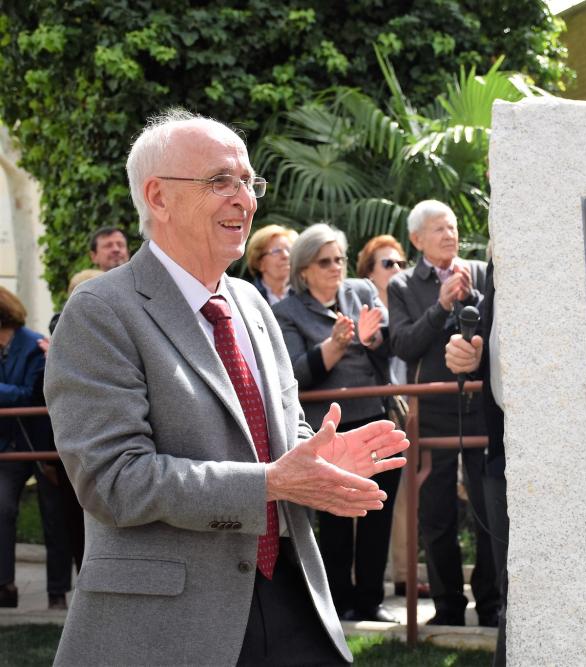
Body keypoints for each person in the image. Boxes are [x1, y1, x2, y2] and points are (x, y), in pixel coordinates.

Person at [44, 109, 408, 666]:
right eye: (221, 181)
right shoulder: (100, 311)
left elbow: (284, 430)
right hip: (170, 625)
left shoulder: (252, 303)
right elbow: (114, 481)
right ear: (158, 197)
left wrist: (318, 459)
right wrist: (271, 483)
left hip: (292, 596)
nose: (245, 200)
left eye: (248, 181)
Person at [273, 223, 400, 623]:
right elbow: (294, 374)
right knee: (336, 519)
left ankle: (371, 601)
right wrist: (334, 345)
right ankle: (339, 602)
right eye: (324, 262)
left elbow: (390, 349)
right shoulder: (286, 312)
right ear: (304, 269)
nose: (335, 267)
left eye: (339, 259)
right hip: (327, 428)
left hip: (376, 419)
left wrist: (372, 338)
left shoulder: (361, 291)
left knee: (378, 513)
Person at [387, 200, 500, 627]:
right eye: (439, 229)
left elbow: (499, 331)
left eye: (452, 227)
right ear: (417, 240)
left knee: (488, 510)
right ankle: (448, 608)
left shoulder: (480, 273)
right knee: (436, 516)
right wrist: (439, 307)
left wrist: (473, 299)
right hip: (431, 413)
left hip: (479, 407)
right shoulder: (402, 285)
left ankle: (491, 605)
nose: (450, 234)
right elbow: (403, 345)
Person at [356, 235, 430, 599]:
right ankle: (366, 581)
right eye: (388, 264)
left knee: (407, 497)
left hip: (412, 410)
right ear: (369, 273)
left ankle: (404, 575)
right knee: (371, 499)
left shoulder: (412, 302)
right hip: (376, 413)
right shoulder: (363, 308)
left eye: (402, 262)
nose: (397, 269)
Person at [445, 255, 509, 665]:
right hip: (501, 454)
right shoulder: (495, 263)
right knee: (514, 595)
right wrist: (470, 356)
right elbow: (492, 345)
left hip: (542, 455)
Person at [0, 287, 72, 611]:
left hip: (44, 447)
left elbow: (31, 393)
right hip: (10, 447)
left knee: (54, 518)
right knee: (2, 509)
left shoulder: (32, 344)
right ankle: (5, 586)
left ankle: (57, 593)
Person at [246, 224, 297, 305]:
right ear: (260, 263)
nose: (286, 255)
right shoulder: (247, 297)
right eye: (276, 251)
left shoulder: (306, 295)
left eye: (289, 249)